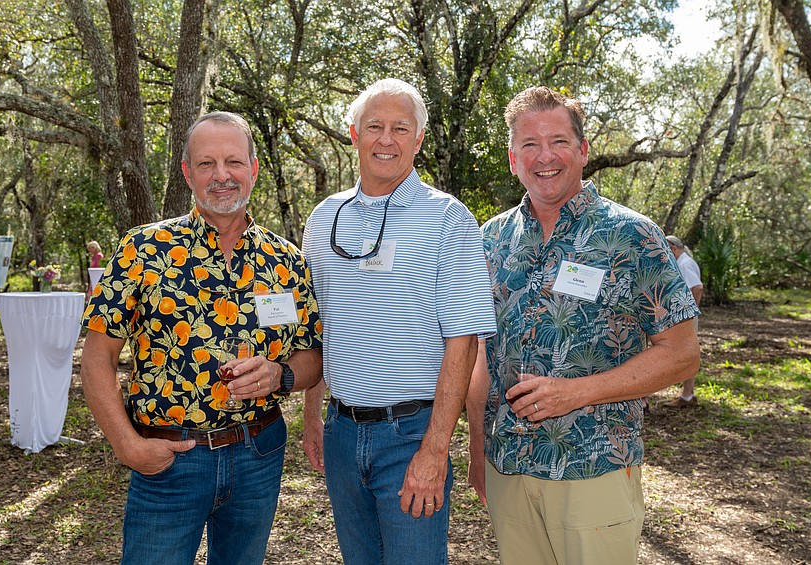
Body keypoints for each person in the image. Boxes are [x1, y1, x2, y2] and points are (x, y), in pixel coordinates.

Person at [466, 86, 701, 564]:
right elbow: (482, 355)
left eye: (558, 141)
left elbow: (682, 354)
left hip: (593, 469)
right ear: (513, 159)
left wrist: (578, 392)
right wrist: (476, 448)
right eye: (529, 145)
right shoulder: (490, 239)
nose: (544, 156)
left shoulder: (632, 235)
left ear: (583, 151)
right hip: (508, 468)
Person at [80, 111, 323, 565]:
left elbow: (313, 354)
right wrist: (127, 445)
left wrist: (280, 375)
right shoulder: (143, 249)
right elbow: (97, 360)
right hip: (169, 460)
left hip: (258, 454)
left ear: (253, 169)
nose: (222, 176)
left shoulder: (286, 260)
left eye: (233, 162)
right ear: (188, 173)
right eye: (207, 164)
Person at [301, 78, 497, 565]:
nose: (385, 140)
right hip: (343, 433)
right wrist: (312, 419)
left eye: (399, 128)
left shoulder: (448, 218)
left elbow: (463, 341)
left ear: (418, 140)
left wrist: (434, 450)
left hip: (411, 435)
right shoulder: (324, 219)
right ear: (353, 134)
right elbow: (317, 330)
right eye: (374, 126)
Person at [664, 234, 704, 407]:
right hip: (684, 314)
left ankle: (687, 396)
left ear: (673, 248)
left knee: (687, 353)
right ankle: (688, 394)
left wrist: (690, 311)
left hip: (686, 316)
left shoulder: (685, 264)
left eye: (666, 250)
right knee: (688, 352)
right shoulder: (684, 262)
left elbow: (698, 287)